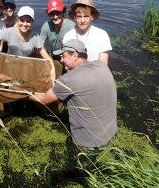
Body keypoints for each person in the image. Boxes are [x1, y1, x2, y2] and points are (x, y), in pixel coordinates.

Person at [30, 39, 117, 171]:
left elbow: (43, 99)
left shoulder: (69, 80)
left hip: (89, 142)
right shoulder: (102, 66)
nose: (61, 60)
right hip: (110, 132)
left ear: (75, 56)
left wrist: (24, 93)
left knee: (78, 171)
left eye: (64, 56)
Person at [0, 5, 56, 80]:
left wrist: (53, 69)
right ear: (18, 20)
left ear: (32, 23)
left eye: (28, 21)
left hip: (26, 68)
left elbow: (47, 58)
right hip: (9, 65)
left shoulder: (36, 38)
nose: (25, 24)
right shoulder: (9, 32)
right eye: (22, 20)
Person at [62, 0, 112, 65]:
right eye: (79, 16)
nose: (82, 21)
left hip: (95, 73)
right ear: (74, 17)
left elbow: (103, 65)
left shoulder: (102, 35)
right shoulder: (68, 36)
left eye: (86, 16)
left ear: (92, 17)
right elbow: (67, 61)